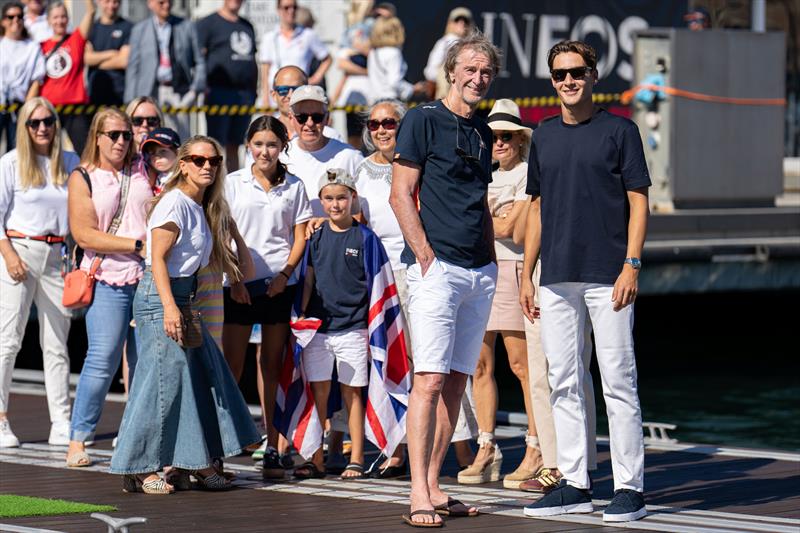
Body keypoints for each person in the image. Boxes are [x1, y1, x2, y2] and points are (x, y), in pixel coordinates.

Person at [520, 40, 650, 523]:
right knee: (564, 382)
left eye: (576, 72)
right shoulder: (545, 135)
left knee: (618, 381)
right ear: (551, 80)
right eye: (559, 74)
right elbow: (535, 206)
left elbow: (638, 200)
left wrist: (631, 264)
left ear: (593, 75)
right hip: (555, 276)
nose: (568, 81)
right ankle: (574, 483)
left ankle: (629, 487)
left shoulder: (621, 131)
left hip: (608, 274)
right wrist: (526, 273)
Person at [389, 32, 500, 527]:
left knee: (457, 382)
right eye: (471, 69)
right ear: (452, 70)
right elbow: (400, 194)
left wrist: (493, 260)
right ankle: (416, 493)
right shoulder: (423, 119)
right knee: (429, 380)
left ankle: (436, 486)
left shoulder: (482, 129)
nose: (478, 79)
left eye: (486, 72)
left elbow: (479, 202)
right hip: (440, 270)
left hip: (481, 270)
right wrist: (426, 257)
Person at [109, 135, 261, 494]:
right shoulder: (174, 203)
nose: (207, 166)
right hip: (161, 296)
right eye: (198, 160)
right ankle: (140, 467)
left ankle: (192, 463)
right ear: (183, 164)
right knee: (161, 383)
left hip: (183, 297)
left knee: (207, 374)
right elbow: (156, 259)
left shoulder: (202, 205)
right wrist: (170, 308)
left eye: (214, 161)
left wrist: (232, 228)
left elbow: (245, 270)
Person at [458, 98, 542, 489]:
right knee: (479, 364)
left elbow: (511, 230)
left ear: (520, 139)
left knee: (521, 365)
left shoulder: (528, 174)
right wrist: (495, 218)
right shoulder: (483, 174)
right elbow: (490, 222)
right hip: (484, 269)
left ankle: (535, 446)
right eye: (494, 136)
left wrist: (484, 219)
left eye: (507, 136)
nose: (500, 142)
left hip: (513, 268)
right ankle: (487, 445)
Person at [224, 115, 312, 478]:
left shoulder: (294, 186)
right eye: (258, 144)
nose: (265, 151)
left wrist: (284, 276)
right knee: (232, 368)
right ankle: (223, 442)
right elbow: (221, 232)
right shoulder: (232, 183)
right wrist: (235, 277)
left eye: (272, 145)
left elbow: (301, 236)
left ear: (282, 147)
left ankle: (273, 444)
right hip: (239, 285)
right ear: (249, 146)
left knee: (272, 367)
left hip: (278, 285)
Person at [64, 107, 152, 468]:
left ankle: (136, 438)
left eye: (126, 135)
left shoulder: (143, 169)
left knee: (145, 363)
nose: (120, 141)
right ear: (97, 137)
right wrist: (135, 245)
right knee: (102, 359)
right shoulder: (83, 177)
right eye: (113, 135)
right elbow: (84, 235)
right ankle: (78, 439)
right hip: (107, 277)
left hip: (148, 277)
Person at [0, 96, 78, 448]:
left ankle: (61, 420)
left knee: (57, 342)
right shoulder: (11, 163)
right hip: (19, 249)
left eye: (48, 121)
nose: (43, 128)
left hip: (57, 254)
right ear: (25, 128)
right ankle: (1, 418)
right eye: (35, 123)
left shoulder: (72, 163)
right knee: (9, 340)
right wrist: (9, 255)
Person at [294, 168, 373, 480]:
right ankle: (316, 457)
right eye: (329, 198)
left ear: (352, 198)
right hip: (318, 328)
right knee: (318, 393)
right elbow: (309, 277)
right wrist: (300, 314)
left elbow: (374, 283)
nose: (336, 204)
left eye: (342, 197)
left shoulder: (366, 238)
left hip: (354, 326)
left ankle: (356, 456)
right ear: (321, 201)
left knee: (353, 392)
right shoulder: (315, 236)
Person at [124, 0, 205, 143]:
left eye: (169, 2)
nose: (166, 6)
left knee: (181, 138)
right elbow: (133, 67)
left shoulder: (186, 26)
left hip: (178, 91)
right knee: (149, 136)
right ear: (150, 4)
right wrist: (131, 101)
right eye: (161, 2)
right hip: (150, 91)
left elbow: (199, 61)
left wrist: (194, 90)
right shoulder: (139, 30)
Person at [281, 84, 363, 216]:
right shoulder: (281, 157)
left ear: (327, 118)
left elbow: (364, 212)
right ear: (291, 118)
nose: (309, 123)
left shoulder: (350, 157)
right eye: (301, 117)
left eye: (317, 117)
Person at [197, 0, 257, 173]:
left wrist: (254, 92)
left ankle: (232, 185)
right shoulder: (208, 24)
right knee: (216, 145)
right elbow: (199, 58)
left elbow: (253, 60)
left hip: (245, 95)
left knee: (236, 144)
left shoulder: (247, 26)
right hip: (218, 92)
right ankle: (214, 187)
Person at [40, 0, 95, 156]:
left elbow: (91, 12)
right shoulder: (40, 46)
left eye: (63, 16)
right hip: (50, 109)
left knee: (86, 153)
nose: (60, 21)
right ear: (49, 20)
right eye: (56, 17)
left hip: (75, 109)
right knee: (47, 154)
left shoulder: (76, 39)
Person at [258, 0, 330, 108]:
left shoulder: (308, 35)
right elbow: (265, 71)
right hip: (277, 97)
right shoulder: (270, 37)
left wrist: (314, 78)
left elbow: (327, 59)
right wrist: (265, 99)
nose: (291, 11)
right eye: (286, 7)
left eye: (294, 7)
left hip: (299, 95)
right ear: (278, 10)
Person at [0, 0, 45, 151]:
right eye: (10, 17)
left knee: (15, 151)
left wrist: (27, 108)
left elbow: (36, 80)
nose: (15, 20)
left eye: (19, 16)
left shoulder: (32, 47)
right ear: (3, 21)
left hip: (19, 106)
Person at [270, 66, 343, 143]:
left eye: (297, 90)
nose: (290, 95)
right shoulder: (265, 133)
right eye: (283, 90)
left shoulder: (330, 136)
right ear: (274, 95)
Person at [366, 16, 424, 103]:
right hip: (391, 101)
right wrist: (412, 89)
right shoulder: (394, 53)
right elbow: (394, 82)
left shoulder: (373, 52)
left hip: (375, 100)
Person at [84, 0, 131, 107]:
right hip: (95, 92)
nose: (111, 6)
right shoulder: (91, 28)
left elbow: (123, 61)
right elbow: (87, 59)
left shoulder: (128, 27)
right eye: (107, 2)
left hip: (120, 93)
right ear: (99, 2)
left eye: (115, 2)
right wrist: (112, 53)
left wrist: (96, 62)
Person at [423, 7, 473, 100]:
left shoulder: (470, 44)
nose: (461, 23)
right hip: (447, 93)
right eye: (457, 20)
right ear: (450, 23)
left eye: (465, 21)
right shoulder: (446, 41)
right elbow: (432, 68)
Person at [140, 126, 179, 194]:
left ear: (177, 152)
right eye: (152, 152)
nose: (157, 157)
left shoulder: (183, 179)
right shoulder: (154, 178)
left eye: (163, 151)